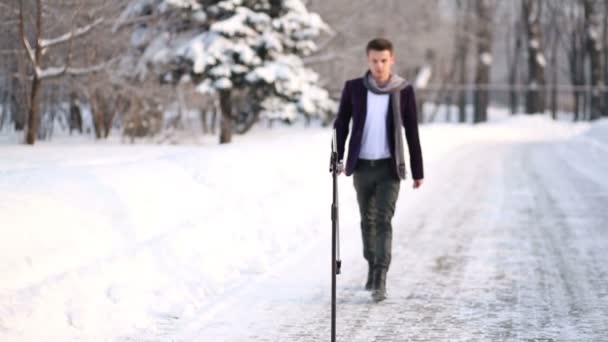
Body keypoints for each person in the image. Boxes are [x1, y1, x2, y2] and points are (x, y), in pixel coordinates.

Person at [333, 38, 424, 302]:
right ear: (368, 60)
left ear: (392, 60)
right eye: (374, 60)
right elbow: (342, 124)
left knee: (384, 221)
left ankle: (380, 277)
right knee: (367, 221)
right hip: (361, 166)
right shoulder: (354, 88)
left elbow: (412, 132)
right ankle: (372, 265)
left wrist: (417, 171)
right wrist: (337, 157)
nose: (379, 66)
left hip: (388, 167)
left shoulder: (403, 90)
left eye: (384, 60)